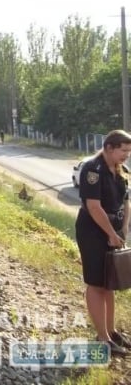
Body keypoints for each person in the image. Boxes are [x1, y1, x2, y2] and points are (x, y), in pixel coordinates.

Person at [75, 129, 131, 357]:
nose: (126, 155)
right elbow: (94, 206)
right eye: (123, 150)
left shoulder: (122, 171)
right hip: (93, 232)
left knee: (110, 283)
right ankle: (102, 339)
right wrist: (110, 233)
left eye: (129, 151)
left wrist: (124, 228)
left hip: (114, 232)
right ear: (109, 148)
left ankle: (111, 332)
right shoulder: (93, 169)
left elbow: (126, 201)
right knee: (97, 284)